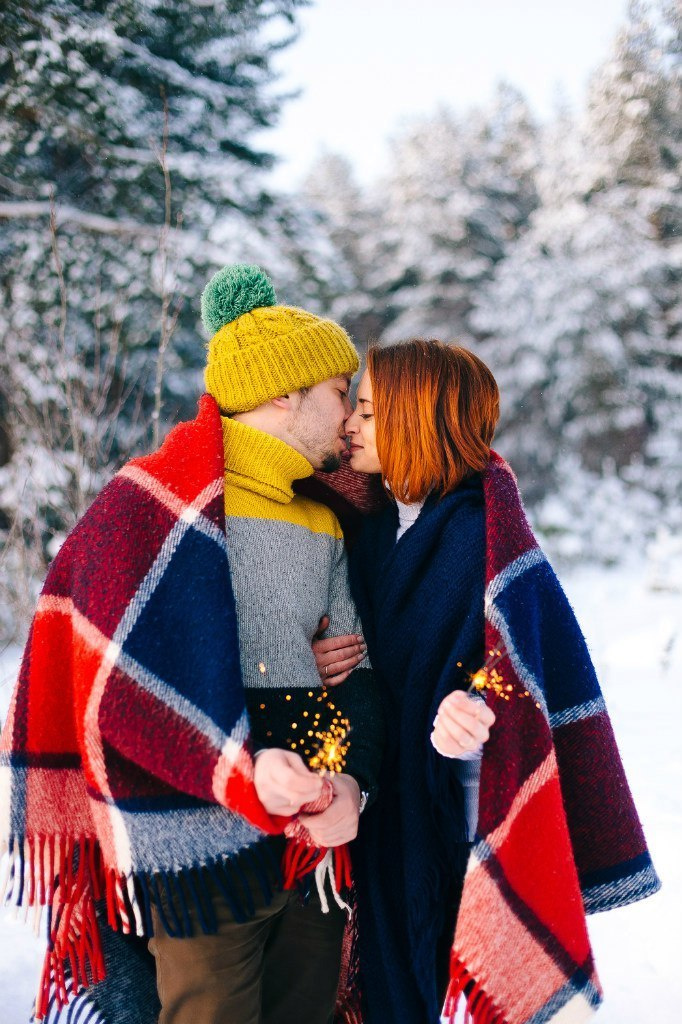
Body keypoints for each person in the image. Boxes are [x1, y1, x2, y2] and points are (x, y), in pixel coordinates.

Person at [0, 264, 383, 1024]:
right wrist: (240, 769)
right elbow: (115, 685)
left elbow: (360, 675)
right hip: (194, 831)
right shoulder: (150, 504)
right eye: (341, 390)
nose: (349, 415)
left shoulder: (326, 518)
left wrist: (353, 786)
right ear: (285, 393)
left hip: (311, 833)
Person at [315, 338, 660, 1024]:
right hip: (366, 812)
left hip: (443, 828)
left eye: (370, 412)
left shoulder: (483, 538)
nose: (349, 425)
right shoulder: (370, 526)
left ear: (419, 420)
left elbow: (522, 677)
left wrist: (472, 709)